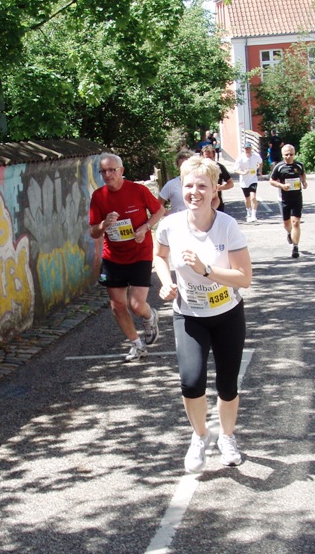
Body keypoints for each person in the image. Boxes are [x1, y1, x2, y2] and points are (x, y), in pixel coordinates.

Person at [154, 155, 253, 473]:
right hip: (189, 315)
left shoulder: (227, 226)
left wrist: (207, 270)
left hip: (227, 314)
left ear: (215, 192)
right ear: (179, 188)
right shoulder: (170, 224)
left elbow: (245, 278)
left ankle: (226, 437)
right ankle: (199, 437)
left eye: (202, 186)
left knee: (227, 385)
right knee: (191, 382)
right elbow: (159, 257)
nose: (193, 192)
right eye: (188, 185)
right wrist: (167, 282)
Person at [89, 153, 165, 362]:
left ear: (121, 171)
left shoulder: (138, 190)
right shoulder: (98, 196)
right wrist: (104, 224)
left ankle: (150, 316)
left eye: (112, 170)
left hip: (140, 253)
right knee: (117, 305)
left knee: (136, 305)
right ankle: (137, 345)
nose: (108, 174)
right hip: (113, 257)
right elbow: (93, 232)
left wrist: (146, 227)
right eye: (103, 171)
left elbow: (160, 211)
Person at [269, 144, 307, 258]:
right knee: (287, 224)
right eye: (286, 155)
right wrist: (281, 185)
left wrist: (304, 182)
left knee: (296, 222)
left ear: (294, 154)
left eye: (291, 154)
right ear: (282, 155)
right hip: (284, 198)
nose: (288, 157)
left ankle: (295, 247)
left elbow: (303, 174)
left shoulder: (299, 165)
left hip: (297, 197)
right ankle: (289, 233)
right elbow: (271, 180)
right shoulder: (279, 167)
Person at [159, 149, 195, 215]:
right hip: (179, 223)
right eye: (181, 166)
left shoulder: (202, 183)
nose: (185, 168)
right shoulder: (171, 185)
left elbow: (215, 199)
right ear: (177, 167)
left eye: (188, 165)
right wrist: (169, 214)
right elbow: (158, 204)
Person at [235, 140, 263, 223]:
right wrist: (242, 173)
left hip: (253, 179)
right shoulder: (240, 158)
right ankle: (249, 213)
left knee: (253, 196)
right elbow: (235, 169)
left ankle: (254, 215)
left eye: (249, 148)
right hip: (244, 181)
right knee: (247, 199)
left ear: (251, 149)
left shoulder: (256, 156)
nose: (248, 150)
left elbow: (260, 162)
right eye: (246, 149)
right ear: (244, 149)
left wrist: (260, 171)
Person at [200, 144, 234, 212]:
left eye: (210, 157)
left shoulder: (219, 167)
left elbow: (230, 184)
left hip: (216, 201)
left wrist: (219, 188)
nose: (208, 160)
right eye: (206, 157)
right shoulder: (198, 168)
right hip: (202, 201)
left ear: (214, 157)